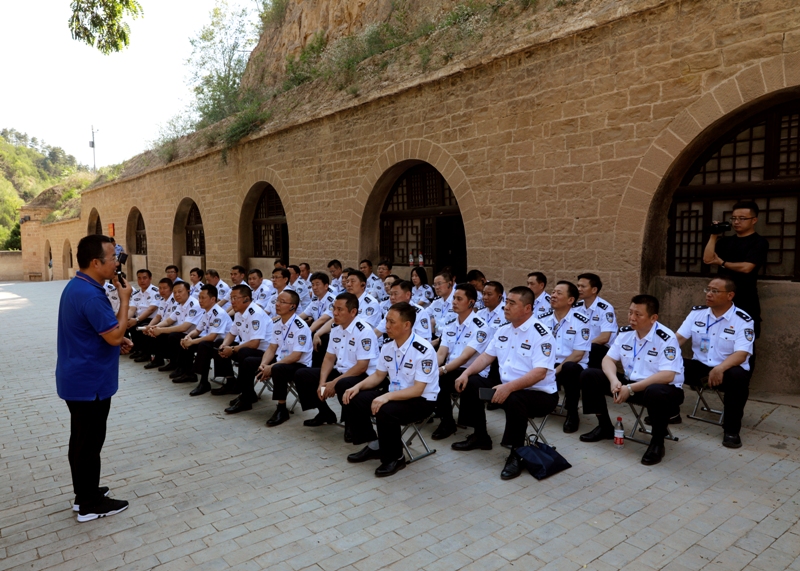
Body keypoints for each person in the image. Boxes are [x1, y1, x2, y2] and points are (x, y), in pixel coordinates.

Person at [56, 234, 132, 522]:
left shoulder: (79, 286)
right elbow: (113, 335)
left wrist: (116, 338)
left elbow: (101, 332)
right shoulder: (90, 294)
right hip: (90, 383)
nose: (117, 263)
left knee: (82, 440)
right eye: (112, 258)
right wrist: (124, 300)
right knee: (89, 443)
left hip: (78, 378)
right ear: (95, 262)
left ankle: (84, 493)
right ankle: (89, 504)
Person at [451, 287, 558, 480]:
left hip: (540, 394)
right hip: (506, 387)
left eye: (512, 303)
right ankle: (480, 436)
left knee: (516, 397)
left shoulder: (541, 334)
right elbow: (486, 357)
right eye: (506, 302)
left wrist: (508, 387)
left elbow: (540, 373)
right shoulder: (503, 330)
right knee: (472, 382)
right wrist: (465, 373)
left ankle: (517, 452)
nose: (506, 307)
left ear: (527, 308)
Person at [579, 295, 684, 466]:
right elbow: (608, 360)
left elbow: (668, 375)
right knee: (589, 375)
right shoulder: (626, 333)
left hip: (663, 389)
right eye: (630, 312)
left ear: (653, 318)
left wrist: (630, 389)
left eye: (638, 314)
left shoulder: (666, 338)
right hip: (630, 384)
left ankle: (657, 443)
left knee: (655, 391)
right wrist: (614, 380)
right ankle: (604, 426)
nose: (632, 318)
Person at [342, 302, 440, 477]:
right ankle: (375, 445)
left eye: (392, 322)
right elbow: (378, 376)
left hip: (421, 400)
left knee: (385, 410)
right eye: (386, 320)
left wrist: (386, 397)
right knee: (353, 398)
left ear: (407, 325)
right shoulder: (388, 346)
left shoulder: (423, 350)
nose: (386, 326)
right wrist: (357, 386)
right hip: (396, 394)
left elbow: (418, 390)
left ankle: (396, 458)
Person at [675, 277, 754, 448]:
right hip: (701, 370)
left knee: (739, 377)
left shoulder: (743, 320)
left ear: (730, 295)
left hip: (726, 372)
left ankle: (732, 430)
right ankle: (670, 413)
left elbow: (742, 354)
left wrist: (720, 368)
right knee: (669, 365)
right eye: (708, 290)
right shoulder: (697, 313)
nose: (709, 294)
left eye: (715, 291)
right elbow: (678, 339)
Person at [294, 292, 379, 426]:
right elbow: (329, 358)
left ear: (353, 312)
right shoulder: (336, 329)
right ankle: (324, 413)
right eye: (334, 308)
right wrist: (322, 383)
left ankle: (352, 425)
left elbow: (362, 367)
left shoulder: (364, 331)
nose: (335, 313)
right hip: (341, 372)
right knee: (302, 375)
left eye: (340, 309)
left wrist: (333, 383)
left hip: (363, 375)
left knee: (342, 384)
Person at [433, 284, 492, 440]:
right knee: (433, 378)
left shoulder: (481, 327)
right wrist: (434, 369)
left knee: (465, 382)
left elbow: (465, 357)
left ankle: (481, 434)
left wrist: (443, 370)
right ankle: (447, 422)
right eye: (454, 298)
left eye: (459, 299)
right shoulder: (450, 325)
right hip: (453, 369)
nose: (454, 302)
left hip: (474, 371)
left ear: (471, 302)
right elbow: (441, 353)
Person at [703, 200, 769, 338]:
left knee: (744, 340)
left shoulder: (759, 242)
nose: (736, 222)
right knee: (717, 337)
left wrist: (722, 263)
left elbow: (747, 267)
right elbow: (708, 259)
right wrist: (714, 235)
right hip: (721, 298)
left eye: (742, 218)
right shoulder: (725, 242)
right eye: (734, 218)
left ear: (754, 220)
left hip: (745, 298)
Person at [249, 290, 313, 426]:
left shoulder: (300, 326)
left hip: (298, 365)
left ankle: (282, 409)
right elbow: (271, 348)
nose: (277, 304)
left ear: (292, 306)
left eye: (282, 302)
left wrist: (272, 367)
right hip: (281, 361)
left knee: (278, 369)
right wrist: (263, 364)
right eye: (277, 300)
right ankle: (246, 395)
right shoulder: (277, 323)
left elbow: (296, 356)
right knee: (250, 362)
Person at [538, 281, 591, 433]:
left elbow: (578, 354)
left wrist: (555, 370)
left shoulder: (581, 321)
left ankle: (572, 413)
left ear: (570, 300)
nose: (553, 296)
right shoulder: (542, 319)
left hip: (572, 366)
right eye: (553, 292)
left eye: (559, 293)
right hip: (548, 363)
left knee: (569, 368)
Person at [211, 284, 271, 404]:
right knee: (219, 343)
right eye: (231, 298)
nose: (232, 301)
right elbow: (231, 333)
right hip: (248, 349)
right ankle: (230, 382)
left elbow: (254, 344)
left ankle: (246, 393)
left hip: (264, 353)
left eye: (235, 298)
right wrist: (224, 345)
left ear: (246, 299)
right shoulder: (239, 313)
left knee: (243, 353)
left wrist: (232, 349)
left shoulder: (256, 314)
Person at [172, 284, 233, 395]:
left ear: (213, 299)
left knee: (203, 345)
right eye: (199, 297)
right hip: (213, 342)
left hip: (225, 343)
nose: (200, 300)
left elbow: (212, 336)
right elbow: (197, 330)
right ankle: (188, 372)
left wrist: (192, 341)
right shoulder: (207, 312)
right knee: (187, 341)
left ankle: (204, 382)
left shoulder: (218, 313)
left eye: (203, 298)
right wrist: (188, 337)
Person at [143, 281, 205, 376]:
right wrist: (154, 327)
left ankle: (184, 369)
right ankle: (171, 362)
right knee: (162, 335)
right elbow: (168, 321)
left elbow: (184, 327)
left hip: (196, 335)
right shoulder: (180, 304)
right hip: (185, 333)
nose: (177, 295)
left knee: (173, 336)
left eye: (180, 291)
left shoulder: (194, 305)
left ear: (188, 291)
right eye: (175, 292)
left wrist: (160, 330)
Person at [575, 273, 618, 369]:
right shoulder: (576, 307)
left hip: (599, 350)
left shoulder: (606, 308)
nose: (579, 289)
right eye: (578, 286)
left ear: (594, 290)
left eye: (583, 286)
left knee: (594, 348)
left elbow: (604, 338)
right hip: (581, 349)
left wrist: (583, 346)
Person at [126, 269, 160, 360]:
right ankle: (138, 349)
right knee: (130, 325)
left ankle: (146, 353)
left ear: (150, 278)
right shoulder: (136, 293)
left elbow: (151, 309)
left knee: (141, 326)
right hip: (138, 318)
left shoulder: (156, 292)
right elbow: (132, 309)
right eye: (139, 278)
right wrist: (126, 320)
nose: (142, 281)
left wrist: (137, 320)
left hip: (151, 319)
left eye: (144, 278)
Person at [429, 270, 456, 336]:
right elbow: (423, 314)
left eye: (439, 284)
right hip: (436, 337)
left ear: (449, 284)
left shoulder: (457, 300)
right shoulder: (436, 302)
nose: (437, 287)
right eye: (435, 285)